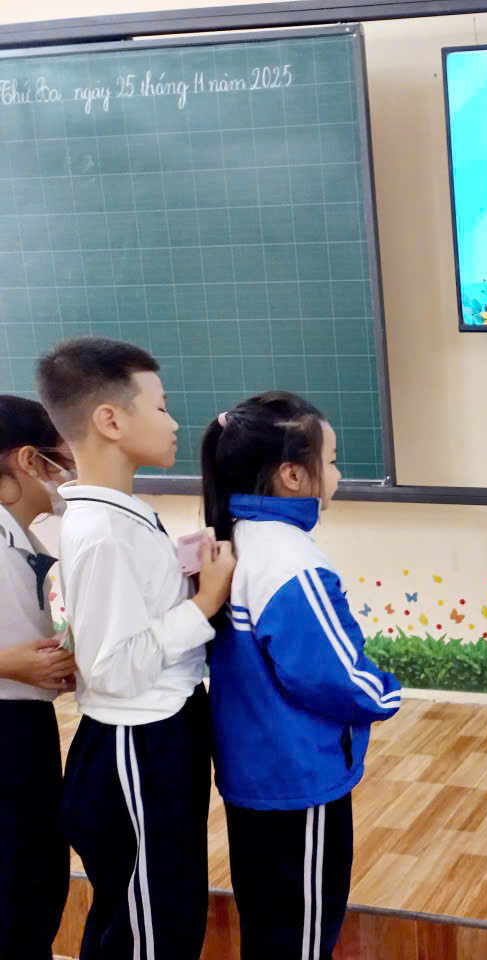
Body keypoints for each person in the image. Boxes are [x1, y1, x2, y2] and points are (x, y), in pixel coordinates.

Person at [36, 338, 235, 960]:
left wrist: (181, 574)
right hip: (137, 742)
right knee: (151, 930)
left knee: (158, 911)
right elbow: (116, 668)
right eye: (162, 406)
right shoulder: (102, 531)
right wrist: (205, 602)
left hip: (160, 732)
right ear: (111, 420)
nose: (174, 423)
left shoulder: (122, 514)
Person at [201, 392, 401, 960]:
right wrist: (385, 693)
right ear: (292, 475)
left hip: (254, 775)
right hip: (298, 780)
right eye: (330, 461)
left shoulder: (238, 535)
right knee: (304, 933)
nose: (337, 473)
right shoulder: (292, 561)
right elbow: (332, 675)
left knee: (271, 926)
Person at [0, 395, 78, 960]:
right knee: (14, 887)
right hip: (7, 726)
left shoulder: (22, 537)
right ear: (30, 460)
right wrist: (9, 665)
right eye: (65, 456)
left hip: (27, 724)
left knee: (37, 875)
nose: (72, 471)